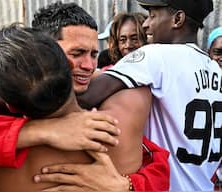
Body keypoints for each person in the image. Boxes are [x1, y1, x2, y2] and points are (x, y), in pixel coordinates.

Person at [0, 1, 169, 191]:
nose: (89, 65)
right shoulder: (113, 120)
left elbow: (157, 167)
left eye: (94, 54)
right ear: (49, 50)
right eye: (77, 52)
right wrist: (44, 130)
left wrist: (127, 186)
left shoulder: (110, 97)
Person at [69, 0, 220, 190]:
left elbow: (86, 96)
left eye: (153, 15)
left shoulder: (156, 56)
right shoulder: (215, 69)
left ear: (178, 19)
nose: (146, 24)